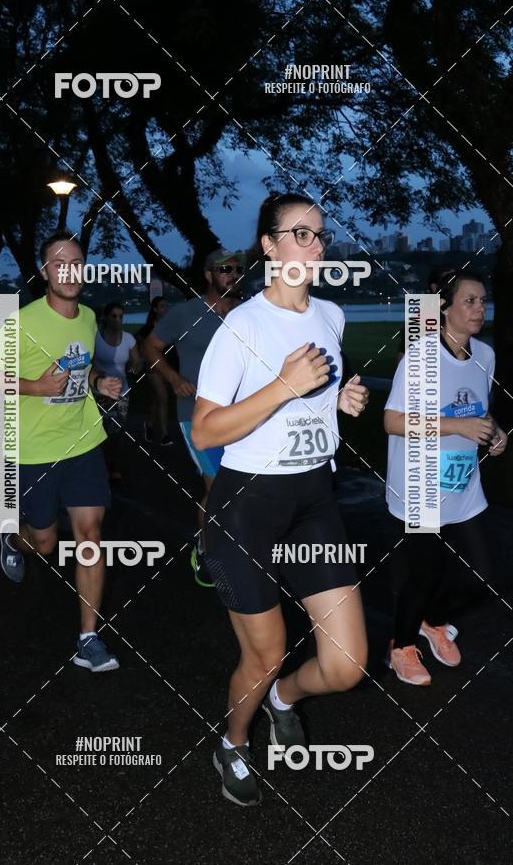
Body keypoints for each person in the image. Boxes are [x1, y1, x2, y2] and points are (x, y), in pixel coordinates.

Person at [191, 193, 370, 806]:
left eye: (320, 234)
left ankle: (284, 698)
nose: (315, 246)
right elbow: (204, 431)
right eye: (300, 234)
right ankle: (233, 741)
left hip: (314, 501)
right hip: (247, 507)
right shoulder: (242, 326)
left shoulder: (332, 316)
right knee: (264, 654)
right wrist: (282, 386)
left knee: (346, 666)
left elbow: (312, 396)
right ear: (269, 247)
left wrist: (336, 401)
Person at [0, 230, 123, 673]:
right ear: (45, 272)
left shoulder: (88, 317)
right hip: (33, 449)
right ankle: (13, 538)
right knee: (44, 543)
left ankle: (88, 639)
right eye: (60, 264)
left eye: (76, 262)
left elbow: (83, 366)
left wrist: (99, 383)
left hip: (83, 441)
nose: (69, 271)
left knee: (90, 536)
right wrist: (36, 387)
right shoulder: (21, 322)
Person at [384, 270, 507, 686]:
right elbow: (392, 421)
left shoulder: (485, 355)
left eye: (483, 300)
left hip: (463, 485)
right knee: (425, 574)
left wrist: (494, 432)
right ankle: (401, 647)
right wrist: (457, 427)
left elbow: (477, 409)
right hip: (419, 484)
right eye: (469, 300)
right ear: (444, 308)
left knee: (483, 576)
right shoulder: (420, 357)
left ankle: (432, 622)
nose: (479, 308)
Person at [142, 250, 244, 587]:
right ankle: (207, 548)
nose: (233, 274)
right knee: (218, 488)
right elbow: (150, 347)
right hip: (197, 416)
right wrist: (173, 379)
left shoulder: (248, 313)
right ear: (208, 274)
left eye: (237, 269)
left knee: (242, 487)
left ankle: (236, 544)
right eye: (225, 268)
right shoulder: (185, 313)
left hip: (242, 416)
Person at [93, 301, 141, 479]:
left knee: (117, 431)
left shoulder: (128, 338)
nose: (118, 320)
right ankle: (101, 466)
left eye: (121, 316)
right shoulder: (95, 337)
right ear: (105, 317)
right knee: (102, 430)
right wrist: (99, 379)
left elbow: (137, 361)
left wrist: (135, 367)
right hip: (100, 391)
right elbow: (89, 362)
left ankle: (111, 465)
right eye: (114, 316)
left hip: (122, 391)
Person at [135, 296, 172, 445]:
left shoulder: (169, 326)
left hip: (165, 367)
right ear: (155, 309)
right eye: (162, 306)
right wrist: (142, 358)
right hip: (151, 367)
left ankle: (149, 424)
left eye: (166, 306)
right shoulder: (148, 328)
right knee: (164, 397)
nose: (166, 309)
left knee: (157, 399)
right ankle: (165, 435)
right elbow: (138, 342)